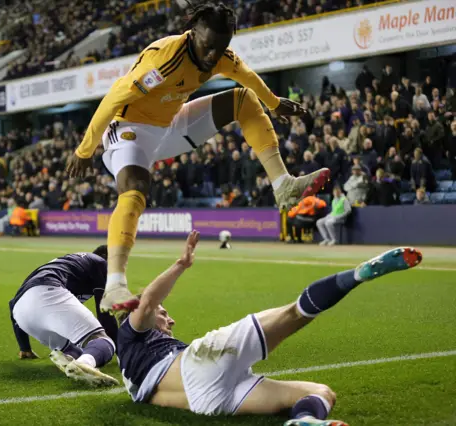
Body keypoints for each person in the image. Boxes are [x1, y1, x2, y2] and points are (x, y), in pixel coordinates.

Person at [66, 2, 330, 313]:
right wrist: (85, 149)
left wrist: (272, 103)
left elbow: (247, 77)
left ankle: (282, 184)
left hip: (170, 125)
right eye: (207, 46)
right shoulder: (162, 60)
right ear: (192, 34)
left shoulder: (220, 56)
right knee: (136, 188)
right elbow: (113, 99)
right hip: (129, 131)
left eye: (221, 47)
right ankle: (114, 285)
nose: (212, 56)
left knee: (244, 101)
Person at [116, 232, 422, 425]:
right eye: (164, 314)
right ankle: (357, 276)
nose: (170, 320)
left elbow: (165, 398)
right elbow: (146, 303)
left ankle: (303, 421)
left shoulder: (136, 380)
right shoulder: (131, 334)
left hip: (206, 403)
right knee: (294, 314)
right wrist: (181, 264)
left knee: (321, 392)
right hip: (202, 361)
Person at [9, 246, 119, 386]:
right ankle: (82, 364)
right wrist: (124, 353)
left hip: (21, 313)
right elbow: (105, 315)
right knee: (103, 341)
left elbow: (12, 304)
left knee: (78, 349)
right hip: (46, 293)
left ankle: (68, 357)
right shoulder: (100, 263)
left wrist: (24, 348)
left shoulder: (72, 265)